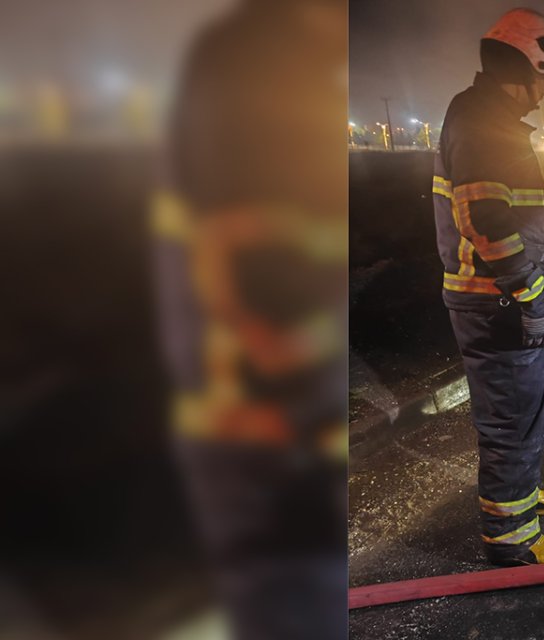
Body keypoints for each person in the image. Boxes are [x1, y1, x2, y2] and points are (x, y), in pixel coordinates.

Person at [154, 1, 348, 637]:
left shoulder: (250, 63)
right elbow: (267, 280)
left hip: (259, 425)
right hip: (267, 437)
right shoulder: (258, 75)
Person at [433, 8, 544, 566]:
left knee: (523, 411)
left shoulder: (483, 118)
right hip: (496, 304)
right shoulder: (481, 123)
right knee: (509, 420)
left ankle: (521, 493)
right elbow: (487, 224)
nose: (543, 93)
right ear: (519, 68)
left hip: (499, 300)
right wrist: (532, 297)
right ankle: (511, 538)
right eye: (542, 79)